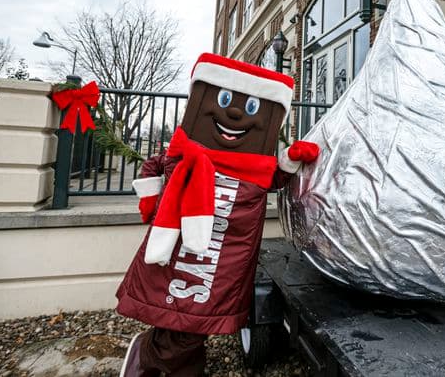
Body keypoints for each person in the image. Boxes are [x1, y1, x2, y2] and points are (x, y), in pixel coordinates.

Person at [117, 53, 319, 376]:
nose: (236, 113)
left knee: (197, 316)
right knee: (181, 313)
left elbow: (275, 179)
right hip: (184, 252)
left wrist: (291, 160)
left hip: (219, 261)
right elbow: (157, 165)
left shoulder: (255, 168)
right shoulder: (186, 154)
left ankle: (156, 356)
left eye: (252, 106)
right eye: (226, 100)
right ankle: (156, 357)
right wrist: (151, 196)